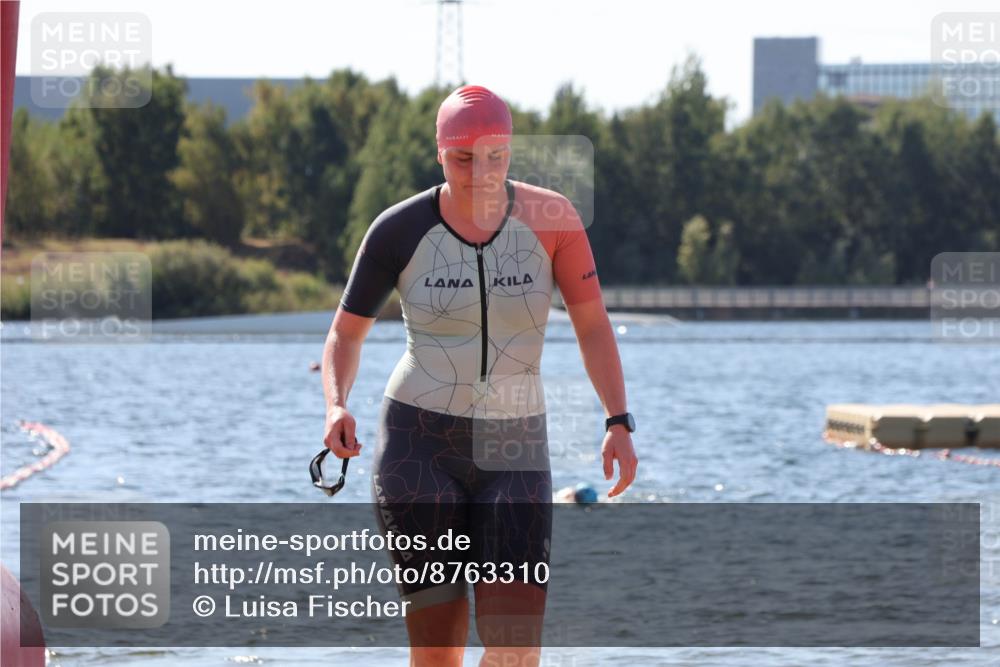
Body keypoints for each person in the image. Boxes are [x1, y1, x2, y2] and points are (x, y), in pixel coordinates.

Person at [321, 84, 637, 667]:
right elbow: (345, 333)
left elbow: (593, 326)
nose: (480, 172)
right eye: (463, 158)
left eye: (495, 156)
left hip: (515, 447)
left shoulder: (554, 220)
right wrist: (336, 405)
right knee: (439, 653)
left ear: (510, 152)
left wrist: (618, 419)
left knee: (516, 650)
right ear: (440, 154)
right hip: (419, 445)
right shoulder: (398, 229)